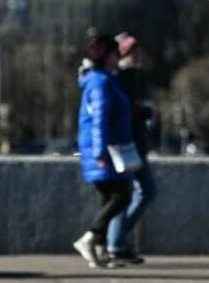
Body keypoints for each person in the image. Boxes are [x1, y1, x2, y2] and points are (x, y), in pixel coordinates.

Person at [72, 35, 134, 269]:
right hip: (104, 149)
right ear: (108, 57)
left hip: (108, 147)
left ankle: (99, 250)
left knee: (110, 196)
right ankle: (90, 238)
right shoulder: (101, 83)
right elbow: (99, 120)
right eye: (117, 54)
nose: (120, 58)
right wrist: (100, 153)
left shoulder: (106, 79)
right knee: (122, 195)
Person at [105, 33, 157, 264]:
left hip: (134, 144)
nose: (138, 55)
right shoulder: (119, 78)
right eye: (133, 51)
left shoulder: (132, 77)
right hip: (127, 145)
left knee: (136, 193)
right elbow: (121, 111)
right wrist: (140, 112)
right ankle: (115, 243)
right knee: (135, 193)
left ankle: (118, 242)